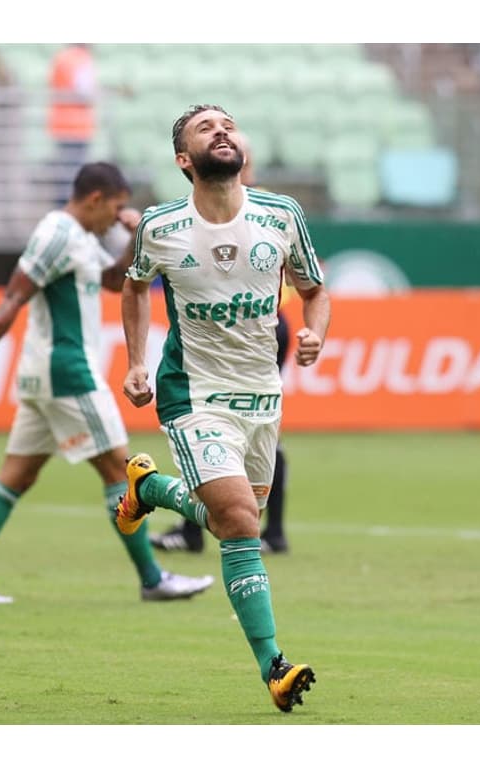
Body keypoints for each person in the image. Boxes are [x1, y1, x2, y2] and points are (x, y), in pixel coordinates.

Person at [117, 105, 331, 712]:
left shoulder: (282, 214)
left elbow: (315, 291)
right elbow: (133, 287)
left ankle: (150, 486)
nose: (222, 131)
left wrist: (315, 333)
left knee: (231, 520)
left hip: (262, 394)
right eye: (205, 128)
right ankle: (275, 667)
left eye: (228, 125)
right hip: (194, 391)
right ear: (185, 159)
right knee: (239, 519)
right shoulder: (160, 226)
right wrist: (136, 361)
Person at [0, 162, 214, 604]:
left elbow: (112, 280)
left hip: (47, 375)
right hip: (66, 372)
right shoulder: (56, 234)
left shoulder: (82, 239)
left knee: (17, 475)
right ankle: (152, 579)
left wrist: (134, 235)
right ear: (95, 200)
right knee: (122, 471)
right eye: (116, 207)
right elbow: (13, 297)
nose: (116, 215)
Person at [149, 136, 291, 555]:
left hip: (255, 330)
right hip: (230, 328)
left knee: (252, 426)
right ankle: (218, 529)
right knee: (222, 428)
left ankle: (263, 528)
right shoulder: (208, 207)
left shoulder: (261, 207)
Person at [48, 44, 97, 204]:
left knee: (65, 176)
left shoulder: (62, 57)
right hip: (78, 126)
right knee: (73, 178)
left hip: (62, 124)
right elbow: (85, 91)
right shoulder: (81, 59)